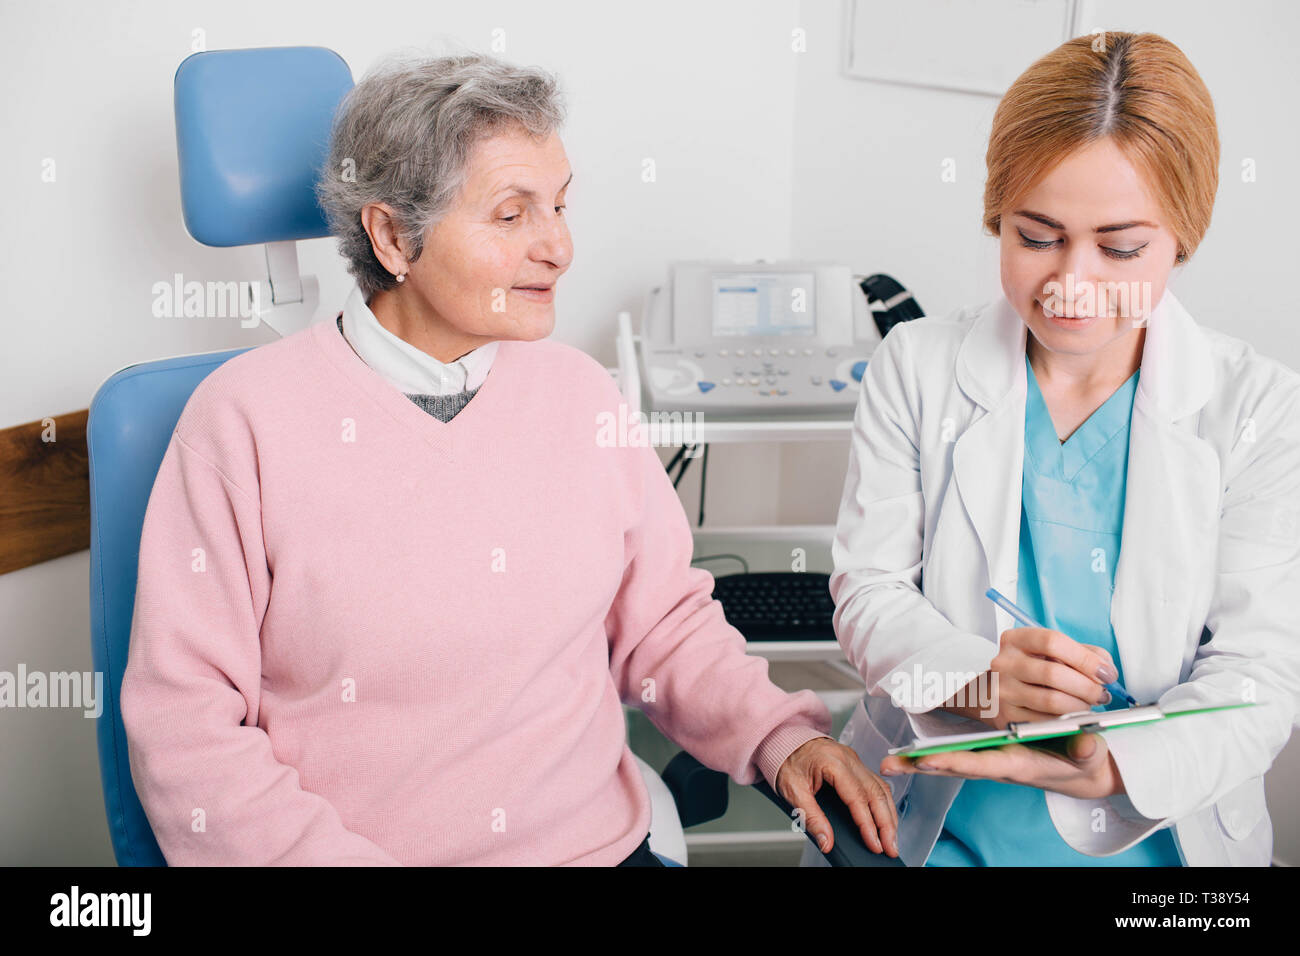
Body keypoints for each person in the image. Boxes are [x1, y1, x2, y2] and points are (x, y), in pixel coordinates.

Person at [121, 50, 899, 866]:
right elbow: (188, 735)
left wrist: (780, 738)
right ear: (393, 236)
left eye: (560, 206)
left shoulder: (581, 396)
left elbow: (664, 627)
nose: (559, 247)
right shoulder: (244, 421)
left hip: (603, 848)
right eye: (511, 215)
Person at [810, 32, 1300, 867]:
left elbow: (1258, 674)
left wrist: (1121, 761)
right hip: (941, 823)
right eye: (1036, 237)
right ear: (997, 216)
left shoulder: (1258, 408)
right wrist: (976, 678)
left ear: (1183, 235)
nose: (1072, 282)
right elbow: (870, 592)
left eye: (1120, 248)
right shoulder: (918, 368)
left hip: (1159, 836)